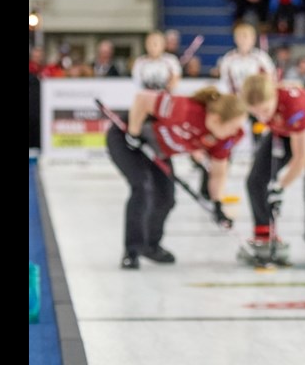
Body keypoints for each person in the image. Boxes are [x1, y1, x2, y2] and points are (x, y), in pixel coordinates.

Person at [106, 87, 248, 269]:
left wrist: (217, 204)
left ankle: (150, 246)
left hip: (158, 151)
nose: (236, 132)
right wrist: (133, 134)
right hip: (127, 139)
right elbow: (142, 99)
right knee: (142, 187)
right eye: (234, 126)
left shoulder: (222, 138)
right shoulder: (186, 109)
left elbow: (218, 173)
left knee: (166, 198)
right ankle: (131, 251)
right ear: (216, 119)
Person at [240, 73, 305, 264]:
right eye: (256, 113)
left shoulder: (294, 105)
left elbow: (302, 158)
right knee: (255, 181)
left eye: (264, 110)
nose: (262, 117)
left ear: (274, 96)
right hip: (287, 130)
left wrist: (279, 187)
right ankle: (264, 234)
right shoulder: (265, 105)